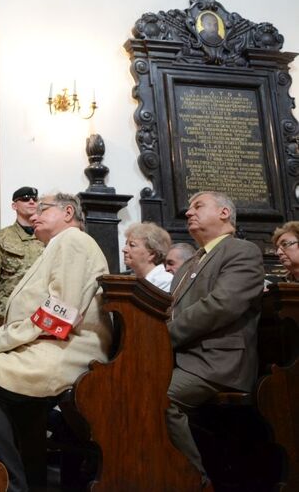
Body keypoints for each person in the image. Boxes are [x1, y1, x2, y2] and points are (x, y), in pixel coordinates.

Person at [0, 192, 112, 492]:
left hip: (65, 351)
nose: (34, 214)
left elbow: (60, 313)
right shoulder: (57, 245)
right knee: (9, 395)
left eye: (43, 208)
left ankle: (13, 486)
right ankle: (30, 481)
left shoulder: (73, 240)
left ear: (68, 212)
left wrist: (2, 340)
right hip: (48, 347)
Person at [166, 191, 264, 482]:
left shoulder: (242, 251)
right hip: (184, 357)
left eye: (198, 206)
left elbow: (222, 305)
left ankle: (193, 481)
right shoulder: (189, 264)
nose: (188, 212)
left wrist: (163, 338)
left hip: (217, 362)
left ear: (224, 213)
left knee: (159, 399)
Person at [0, 186, 45, 319]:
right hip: (12, 311)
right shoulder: (1, 238)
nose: (32, 202)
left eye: (35, 199)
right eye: (25, 199)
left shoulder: (47, 236)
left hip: (42, 310)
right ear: (14, 206)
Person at [122, 222, 173, 292]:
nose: (124, 249)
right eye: (126, 244)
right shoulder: (130, 279)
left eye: (132, 245)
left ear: (152, 254)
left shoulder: (164, 280)